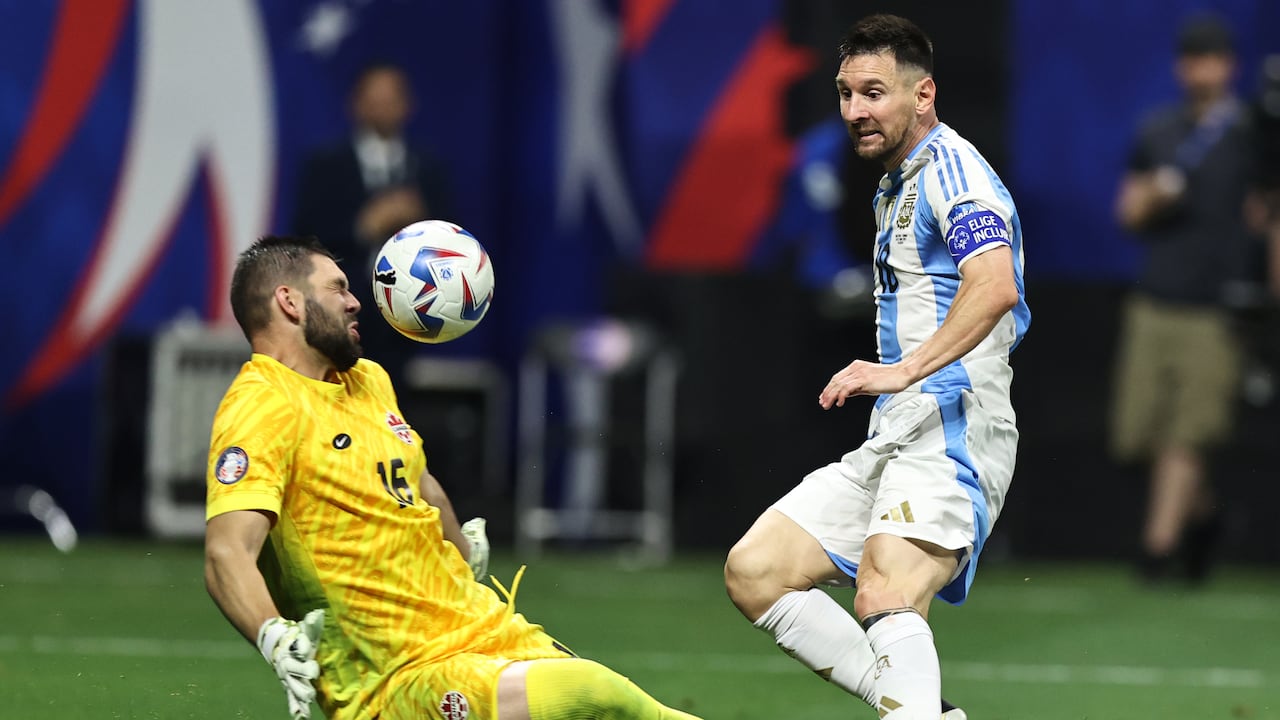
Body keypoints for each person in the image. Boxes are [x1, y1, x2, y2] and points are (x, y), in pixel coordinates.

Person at [203, 235, 701, 720]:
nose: (356, 302)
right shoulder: (262, 406)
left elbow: (416, 479)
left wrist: (461, 545)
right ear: (289, 301)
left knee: (628, 707)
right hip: (399, 675)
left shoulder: (369, 380)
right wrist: (272, 635)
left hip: (480, 626)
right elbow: (227, 551)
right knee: (591, 694)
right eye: (338, 288)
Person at [724, 14, 1028, 720]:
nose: (855, 110)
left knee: (885, 590)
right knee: (757, 570)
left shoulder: (953, 171)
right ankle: (927, 713)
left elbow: (995, 286)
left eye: (874, 93)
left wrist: (903, 370)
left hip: (954, 427)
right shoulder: (899, 182)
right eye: (846, 93)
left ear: (923, 95)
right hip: (899, 431)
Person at [1110, 13, 1260, 585]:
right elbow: (1127, 212)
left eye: (1213, 58)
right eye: (1194, 59)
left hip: (1215, 305)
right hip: (1155, 298)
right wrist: (1156, 195)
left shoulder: (1250, 133)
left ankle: (1158, 549)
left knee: (1188, 434)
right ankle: (1205, 518)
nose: (1203, 70)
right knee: (1138, 436)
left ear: (1230, 66)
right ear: (1181, 67)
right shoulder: (1159, 130)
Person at [292, 62, 453, 384]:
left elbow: (453, 241)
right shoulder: (325, 166)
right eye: (374, 99)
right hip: (339, 314)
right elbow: (303, 237)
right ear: (355, 103)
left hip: (406, 320)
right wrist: (362, 227)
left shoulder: (428, 170)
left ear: (408, 105)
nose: (383, 108)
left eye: (391, 99)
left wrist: (420, 226)